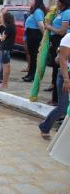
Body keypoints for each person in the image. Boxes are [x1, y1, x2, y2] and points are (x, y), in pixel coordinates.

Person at [47, 33, 70, 167]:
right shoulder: (68, 37)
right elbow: (61, 58)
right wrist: (66, 79)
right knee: (63, 107)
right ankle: (45, 127)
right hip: (66, 76)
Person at [44, 0, 70, 104]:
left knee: (59, 68)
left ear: (64, 0)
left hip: (62, 42)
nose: (57, 0)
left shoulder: (67, 13)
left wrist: (49, 27)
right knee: (55, 69)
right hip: (56, 41)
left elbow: (62, 31)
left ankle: (58, 100)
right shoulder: (60, 12)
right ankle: (56, 97)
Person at [23, 0, 45, 82]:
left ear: (36, 1)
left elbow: (41, 25)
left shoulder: (38, 11)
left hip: (35, 35)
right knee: (32, 56)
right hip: (31, 34)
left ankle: (32, 76)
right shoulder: (34, 11)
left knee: (34, 56)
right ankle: (30, 74)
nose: (30, 0)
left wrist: (44, 38)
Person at [0, 12, 16, 89]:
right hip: (8, 48)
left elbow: (3, 38)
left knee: (5, 68)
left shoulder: (8, 27)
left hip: (4, 49)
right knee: (8, 67)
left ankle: (4, 84)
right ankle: (5, 84)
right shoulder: (13, 26)